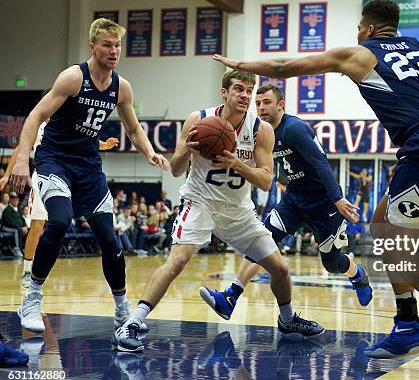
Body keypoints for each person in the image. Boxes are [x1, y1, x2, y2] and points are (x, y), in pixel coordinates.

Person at [213, 0, 419, 371]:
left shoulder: (360, 54)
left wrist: (238, 65)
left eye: (358, 28)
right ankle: (407, 323)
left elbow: (283, 67)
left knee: (400, 252)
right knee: (382, 223)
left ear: (368, 28)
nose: (357, 33)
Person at [112, 71, 323, 353]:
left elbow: (265, 180)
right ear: (224, 93)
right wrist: (186, 149)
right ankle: (132, 323)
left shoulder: (261, 129)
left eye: (249, 90)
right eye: (239, 89)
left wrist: (238, 164)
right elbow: (175, 170)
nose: (245, 95)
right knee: (177, 261)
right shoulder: (198, 120)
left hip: (239, 211)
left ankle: (287, 320)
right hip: (200, 202)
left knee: (281, 269)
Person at [9, 18, 168, 334]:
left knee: (109, 239)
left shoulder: (121, 87)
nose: (114, 51)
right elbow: (35, 116)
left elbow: (133, 127)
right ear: (92, 46)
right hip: (56, 160)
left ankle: (122, 309)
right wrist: (22, 162)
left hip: (88, 167)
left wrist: (149, 151)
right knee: (58, 221)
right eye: (107, 44)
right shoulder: (72, 78)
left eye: (117, 45)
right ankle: (32, 298)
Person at [200, 84, 371, 321]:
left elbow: (320, 162)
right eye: (258, 103)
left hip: (323, 204)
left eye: (266, 102)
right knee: (260, 242)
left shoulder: (294, 129)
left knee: (332, 264)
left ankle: (357, 274)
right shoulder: (262, 131)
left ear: (281, 105)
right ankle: (231, 296)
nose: (260, 107)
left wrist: (338, 198)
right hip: (294, 200)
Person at [0, 119, 119, 287]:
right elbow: (20, 149)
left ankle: (40, 270)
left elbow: (83, 139)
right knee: (37, 224)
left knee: (58, 224)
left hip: (64, 177)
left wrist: (104, 145)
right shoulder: (39, 124)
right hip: (43, 175)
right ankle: (27, 270)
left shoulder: (68, 120)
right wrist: (6, 175)